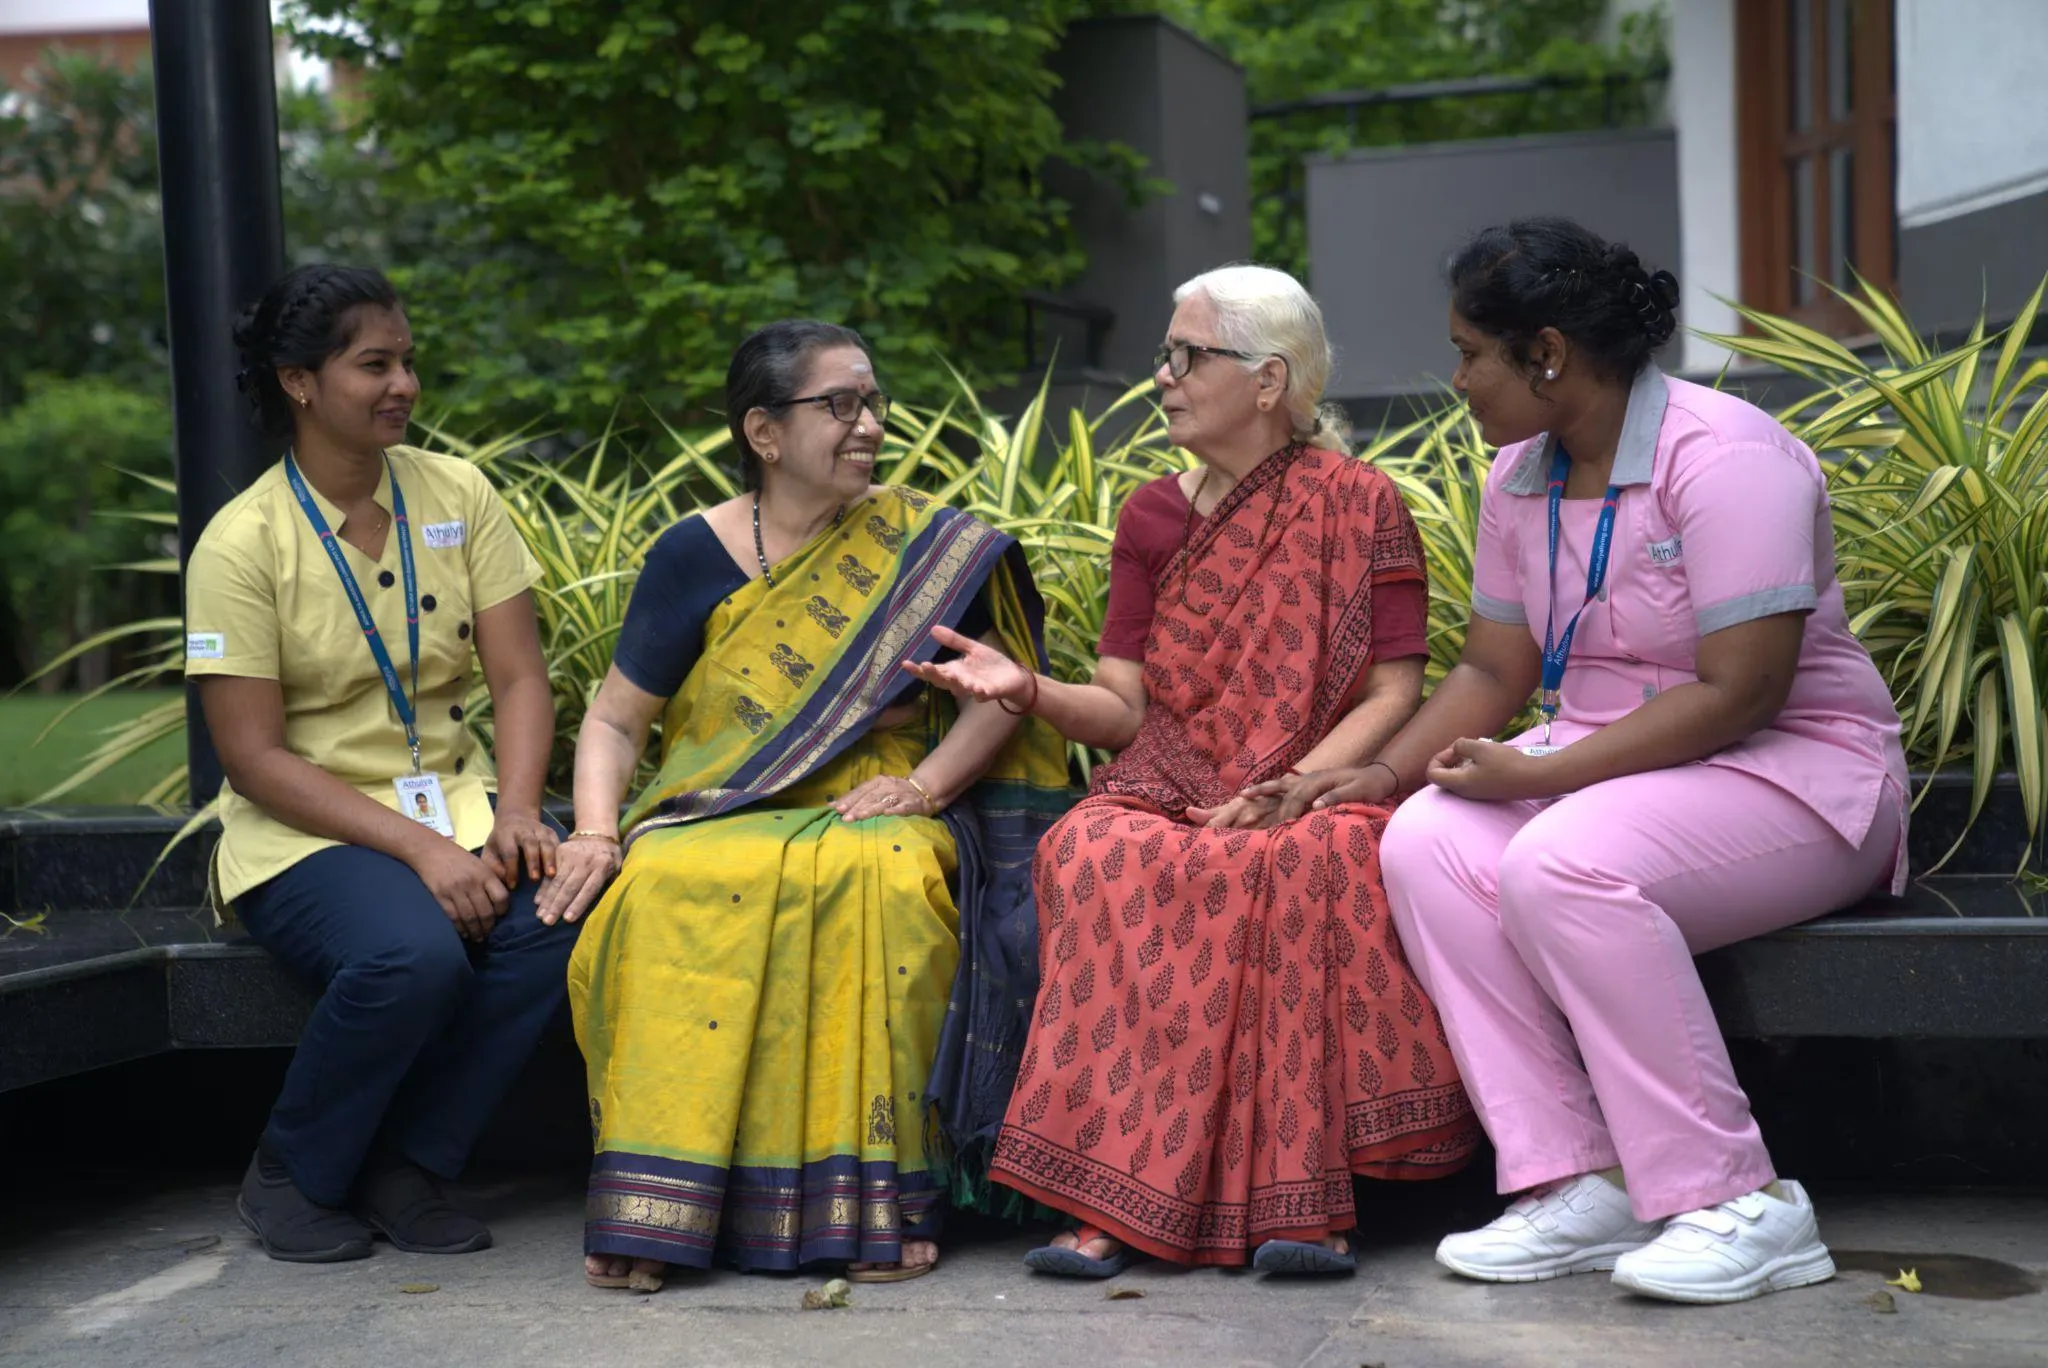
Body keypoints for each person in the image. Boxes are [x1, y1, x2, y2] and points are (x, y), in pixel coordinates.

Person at [1269, 218, 1908, 1304]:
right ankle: (1576, 1176)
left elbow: (1740, 691)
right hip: (1609, 773)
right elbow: (1492, 669)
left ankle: (1736, 1201)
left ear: (1548, 353)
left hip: (1792, 774)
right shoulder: (1520, 474)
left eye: (1472, 352)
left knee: (1560, 861)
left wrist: (1542, 780)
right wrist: (1383, 777)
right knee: (1425, 839)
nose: (1458, 379)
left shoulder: (1726, 457)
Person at [912, 266, 1480, 1277]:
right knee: (1094, 850)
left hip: (1315, 784)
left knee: (1305, 862)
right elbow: (1124, 707)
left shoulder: (1360, 505)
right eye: (1164, 356)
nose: (1162, 378)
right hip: (1167, 782)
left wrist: (1298, 782)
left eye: (1186, 356)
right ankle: (1108, 1207)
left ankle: (1301, 1208)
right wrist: (1026, 689)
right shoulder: (1148, 518)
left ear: (1267, 382)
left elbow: (1394, 692)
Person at [540, 320, 1070, 1294]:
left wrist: (925, 786)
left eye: (872, 402)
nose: (867, 424)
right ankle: (658, 1215)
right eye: (838, 405)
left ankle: (879, 1206)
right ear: (764, 431)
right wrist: (595, 830)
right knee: (660, 885)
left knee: (883, 875)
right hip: (724, 800)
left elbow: (1001, 695)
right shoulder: (690, 555)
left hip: (874, 798)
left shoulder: (929, 550)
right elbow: (614, 723)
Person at [187, 264, 577, 1263]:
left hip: (453, 799)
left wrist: (521, 814)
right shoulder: (241, 545)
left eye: (406, 361)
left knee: (560, 910)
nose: (402, 383)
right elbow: (252, 757)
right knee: (410, 955)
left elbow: (521, 678)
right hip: (303, 826)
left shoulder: (457, 493)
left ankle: (405, 1163)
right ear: (299, 382)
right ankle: (291, 1172)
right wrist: (425, 852)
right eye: (373, 364)